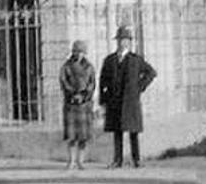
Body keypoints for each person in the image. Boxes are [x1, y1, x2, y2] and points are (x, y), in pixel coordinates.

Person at [98, 25, 156, 168]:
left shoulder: (135, 60)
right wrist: (103, 99)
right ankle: (117, 160)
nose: (122, 42)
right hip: (115, 101)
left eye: (125, 40)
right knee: (117, 132)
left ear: (129, 42)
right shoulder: (110, 60)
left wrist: (139, 87)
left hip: (131, 101)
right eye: (120, 40)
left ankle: (136, 159)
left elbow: (151, 72)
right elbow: (103, 80)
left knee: (133, 132)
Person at [59, 39, 95, 169]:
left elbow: (92, 84)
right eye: (76, 51)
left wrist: (83, 96)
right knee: (71, 136)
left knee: (83, 136)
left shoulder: (89, 67)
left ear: (84, 53)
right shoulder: (66, 66)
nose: (79, 54)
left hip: (84, 104)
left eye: (81, 52)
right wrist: (72, 94)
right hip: (71, 104)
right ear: (73, 52)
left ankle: (81, 161)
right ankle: (71, 160)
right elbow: (63, 82)